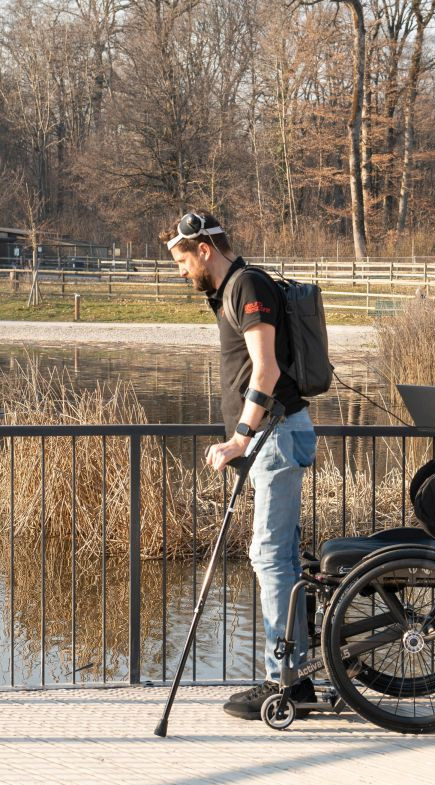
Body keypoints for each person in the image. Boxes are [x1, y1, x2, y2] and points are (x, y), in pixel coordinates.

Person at [162, 211, 317, 720]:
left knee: (269, 556)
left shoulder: (246, 285)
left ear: (204, 249)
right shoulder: (231, 288)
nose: (182, 272)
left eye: (183, 260)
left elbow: (267, 368)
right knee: (280, 557)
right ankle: (295, 675)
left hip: (273, 435)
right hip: (270, 439)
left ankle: (284, 682)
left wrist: (238, 438)